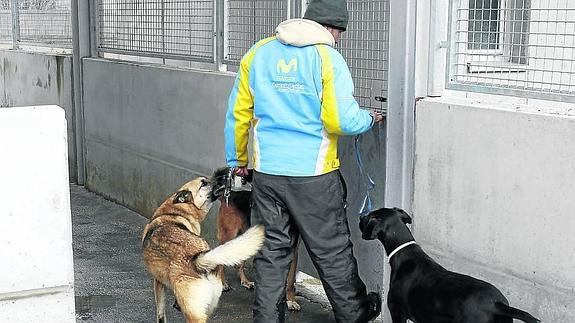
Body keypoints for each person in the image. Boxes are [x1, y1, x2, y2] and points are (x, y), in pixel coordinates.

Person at [224, 0, 383, 322]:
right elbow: (340, 120)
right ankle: (353, 316)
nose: (338, 39)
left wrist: (238, 158)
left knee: (270, 255)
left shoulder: (258, 52)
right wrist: (367, 119)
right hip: (314, 177)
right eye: (339, 33)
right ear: (332, 28)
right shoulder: (327, 58)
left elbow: (238, 114)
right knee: (331, 253)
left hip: (267, 175)